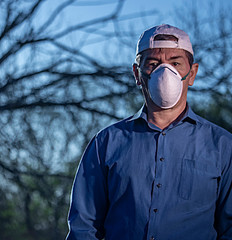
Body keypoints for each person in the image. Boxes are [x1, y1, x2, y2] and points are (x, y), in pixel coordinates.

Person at [66, 24, 232, 240]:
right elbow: (83, 228)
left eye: (175, 63)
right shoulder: (106, 143)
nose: (165, 73)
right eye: (153, 64)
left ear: (191, 73)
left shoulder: (223, 146)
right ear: (137, 73)